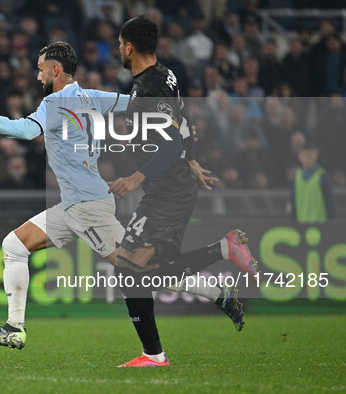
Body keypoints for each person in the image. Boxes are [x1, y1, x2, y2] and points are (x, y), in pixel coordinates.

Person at [0, 41, 241, 352]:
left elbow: (23, 130)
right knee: (15, 244)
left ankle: (218, 290)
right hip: (74, 204)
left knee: (142, 271)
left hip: (89, 208)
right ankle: (14, 328)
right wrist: (179, 126)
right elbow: (142, 104)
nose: (38, 76)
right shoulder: (94, 98)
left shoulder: (56, 104)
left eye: (40, 69)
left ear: (56, 70)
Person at [107, 16, 259, 368]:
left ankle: (154, 355)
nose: (118, 49)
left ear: (128, 47)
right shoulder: (165, 75)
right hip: (171, 186)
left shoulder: (148, 89)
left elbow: (172, 140)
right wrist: (191, 159)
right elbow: (184, 122)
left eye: (119, 43)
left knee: (128, 267)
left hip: (166, 191)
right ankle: (223, 253)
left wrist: (138, 178)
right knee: (148, 267)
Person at [291, 144, 336, 223]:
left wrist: (331, 223)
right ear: (299, 156)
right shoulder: (296, 177)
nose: (306, 159)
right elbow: (293, 203)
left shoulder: (322, 176)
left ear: (315, 155)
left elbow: (330, 203)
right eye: (303, 155)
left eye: (309, 155)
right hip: (301, 225)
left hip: (320, 226)